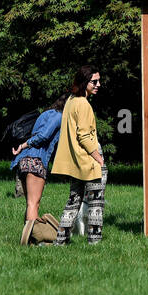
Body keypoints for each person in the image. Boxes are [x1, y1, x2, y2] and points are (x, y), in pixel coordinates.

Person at [51, 65, 107, 245]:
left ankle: (61, 240)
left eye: (99, 81)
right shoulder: (83, 104)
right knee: (96, 204)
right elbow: (83, 135)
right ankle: (95, 242)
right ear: (84, 82)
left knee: (73, 201)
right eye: (94, 81)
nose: (99, 84)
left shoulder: (71, 101)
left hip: (76, 162)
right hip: (89, 162)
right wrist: (98, 157)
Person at [11, 96, 66, 244]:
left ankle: (28, 238)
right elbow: (43, 136)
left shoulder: (46, 114)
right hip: (35, 159)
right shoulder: (59, 116)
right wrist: (23, 145)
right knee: (34, 203)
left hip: (25, 160)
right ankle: (35, 240)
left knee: (31, 203)